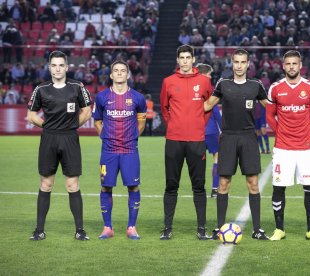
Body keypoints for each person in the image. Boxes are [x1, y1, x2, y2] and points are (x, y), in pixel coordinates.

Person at [204, 48, 269, 240]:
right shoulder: (223, 84)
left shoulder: (255, 85)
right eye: (236, 62)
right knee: (223, 184)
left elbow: (271, 106)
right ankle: (219, 228)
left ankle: (257, 230)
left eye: (243, 62)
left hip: (249, 138)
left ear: (248, 64)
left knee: (253, 183)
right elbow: (207, 105)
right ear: (232, 63)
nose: (239, 66)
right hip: (228, 138)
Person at [26, 50, 92, 241]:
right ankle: (39, 230)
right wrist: (47, 126)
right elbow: (31, 115)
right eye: (53, 65)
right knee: (46, 184)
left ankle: (80, 230)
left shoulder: (77, 87)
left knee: (72, 185)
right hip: (49, 138)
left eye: (60, 65)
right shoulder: (41, 88)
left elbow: (87, 111)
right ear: (49, 67)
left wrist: (71, 126)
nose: (57, 68)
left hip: (70, 138)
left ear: (66, 66)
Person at [266, 50, 310, 241]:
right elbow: (269, 115)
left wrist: (309, 135)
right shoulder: (275, 88)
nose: (291, 67)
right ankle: (279, 229)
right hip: (283, 148)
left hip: (306, 148)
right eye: (288, 64)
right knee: (278, 188)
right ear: (283, 66)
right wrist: (280, 131)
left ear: (300, 66)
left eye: (294, 64)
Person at [159, 45, 212, 240]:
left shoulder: (204, 81)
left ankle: (201, 228)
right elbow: (164, 108)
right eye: (181, 57)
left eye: (188, 57)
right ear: (177, 60)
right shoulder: (168, 82)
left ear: (193, 59)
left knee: (199, 186)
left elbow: (209, 107)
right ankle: (167, 228)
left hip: (197, 140)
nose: (185, 61)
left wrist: (199, 125)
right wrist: (173, 125)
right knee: (171, 185)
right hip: (174, 140)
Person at [92, 60, 147, 240]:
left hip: (130, 149)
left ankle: (131, 227)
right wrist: (105, 137)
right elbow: (97, 121)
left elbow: (142, 121)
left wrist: (133, 137)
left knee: (133, 185)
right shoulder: (101, 97)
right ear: (111, 75)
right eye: (116, 71)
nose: (119, 73)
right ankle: (107, 227)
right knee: (105, 186)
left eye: (123, 71)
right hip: (108, 151)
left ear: (128, 74)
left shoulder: (138, 98)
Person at [196, 63, 222, 198]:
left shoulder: (191, 90)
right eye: (209, 74)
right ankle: (215, 189)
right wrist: (224, 129)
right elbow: (216, 113)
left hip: (196, 132)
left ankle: (199, 190)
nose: (210, 76)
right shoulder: (209, 90)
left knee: (198, 162)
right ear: (204, 75)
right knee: (217, 159)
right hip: (211, 131)